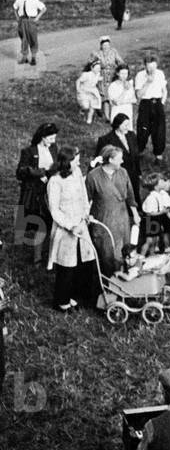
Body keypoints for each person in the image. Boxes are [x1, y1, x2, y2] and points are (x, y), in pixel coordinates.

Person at [46, 146, 99, 311]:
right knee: (66, 266)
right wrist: (70, 226)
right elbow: (54, 210)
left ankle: (75, 296)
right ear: (67, 162)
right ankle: (61, 302)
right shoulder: (55, 181)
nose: (79, 163)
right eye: (76, 160)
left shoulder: (76, 174)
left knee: (84, 262)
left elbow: (84, 197)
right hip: (66, 229)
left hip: (81, 224)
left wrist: (86, 214)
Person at [86, 145, 140, 279]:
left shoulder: (123, 172)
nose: (122, 161)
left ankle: (125, 281)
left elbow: (130, 195)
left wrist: (135, 213)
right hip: (104, 218)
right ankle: (106, 282)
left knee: (125, 251)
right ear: (110, 160)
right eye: (120, 159)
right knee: (106, 253)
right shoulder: (93, 176)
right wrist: (87, 215)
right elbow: (85, 199)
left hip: (122, 218)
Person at [17, 122, 59, 265]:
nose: (53, 141)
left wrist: (50, 173)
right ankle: (37, 257)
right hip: (34, 193)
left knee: (50, 222)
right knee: (39, 223)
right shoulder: (29, 151)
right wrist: (38, 172)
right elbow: (20, 172)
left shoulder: (53, 148)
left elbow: (56, 166)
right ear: (43, 137)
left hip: (49, 189)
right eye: (51, 138)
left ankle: (48, 252)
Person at [95, 113, 142, 206]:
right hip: (117, 174)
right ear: (117, 125)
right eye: (125, 125)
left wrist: (138, 172)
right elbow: (100, 159)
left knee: (134, 196)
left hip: (133, 173)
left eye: (128, 125)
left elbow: (136, 156)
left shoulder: (132, 135)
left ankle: (138, 215)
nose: (127, 127)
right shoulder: (106, 140)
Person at [134, 53, 168, 161]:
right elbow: (138, 95)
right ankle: (139, 150)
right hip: (145, 103)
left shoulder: (160, 74)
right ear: (145, 66)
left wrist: (162, 102)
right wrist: (148, 83)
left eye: (154, 67)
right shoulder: (140, 75)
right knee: (143, 129)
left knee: (159, 129)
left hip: (157, 103)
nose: (152, 70)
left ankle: (158, 153)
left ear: (156, 65)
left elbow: (164, 90)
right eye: (149, 67)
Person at [140, 172, 170, 255]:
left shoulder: (160, 195)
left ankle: (152, 256)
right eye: (161, 182)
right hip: (149, 220)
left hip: (156, 219)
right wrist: (162, 212)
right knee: (149, 241)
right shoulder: (151, 198)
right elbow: (149, 214)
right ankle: (141, 256)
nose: (164, 183)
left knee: (155, 239)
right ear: (156, 185)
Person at [91, 36, 123, 120]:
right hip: (102, 76)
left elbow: (120, 61)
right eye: (104, 45)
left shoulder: (114, 52)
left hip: (112, 75)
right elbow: (91, 65)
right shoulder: (97, 54)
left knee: (113, 95)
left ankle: (114, 113)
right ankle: (107, 116)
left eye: (107, 45)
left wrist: (121, 70)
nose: (106, 47)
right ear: (101, 46)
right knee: (105, 97)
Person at [12, 0, 46, 65]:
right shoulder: (18, 0)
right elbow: (14, 8)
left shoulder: (34, 0)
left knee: (33, 38)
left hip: (31, 21)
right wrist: (17, 18)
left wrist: (37, 17)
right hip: (22, 21)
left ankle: (33, 58)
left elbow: (44, 8)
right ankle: (25, 57)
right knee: (23, 39)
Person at [106, 64, 136, 129]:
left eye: (126, 73)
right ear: (117, 73)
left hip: (128, 112)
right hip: (117, 112)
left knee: (128, 133)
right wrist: (125, 90)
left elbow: (134, 100)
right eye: (122, 73)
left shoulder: (129, 84)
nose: (124, 76)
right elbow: (116, 102)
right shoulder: (113, 86)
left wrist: (123, 101)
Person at [75, 59, 103, 126]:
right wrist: (78, 89)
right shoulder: (86, 75)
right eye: (96, 68)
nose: (98, 69)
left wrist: (101, 80)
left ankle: (89, 120)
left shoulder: (98, 74)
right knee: (86, 106)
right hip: (84, 91)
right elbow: (78, 81)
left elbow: (96, 80)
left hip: (93, 91)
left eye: (99, 68)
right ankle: (82, 109)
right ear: (92, 68)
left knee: (92, 106)